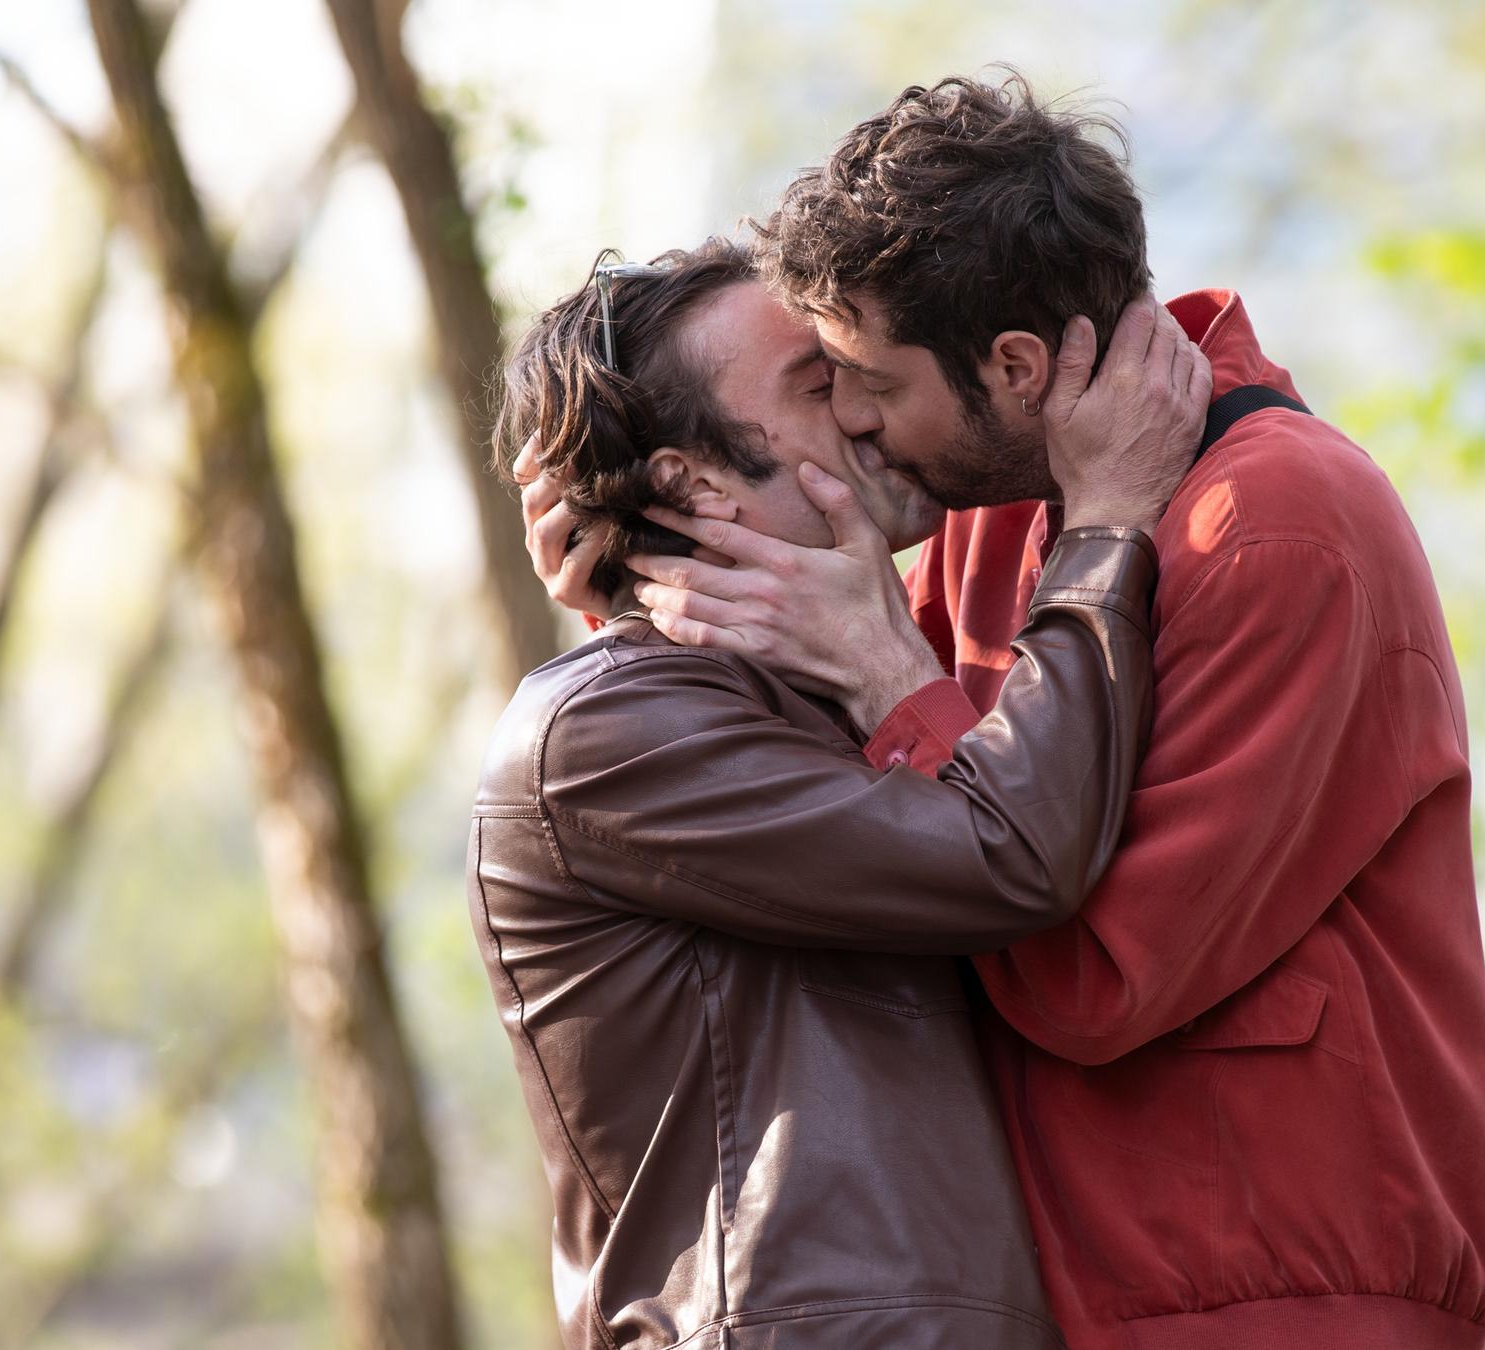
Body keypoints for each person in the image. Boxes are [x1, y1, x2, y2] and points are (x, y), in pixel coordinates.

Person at [532, 73, 1485, 1349]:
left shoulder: (1277, 526)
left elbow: (1090, 973)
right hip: (1094, 1291)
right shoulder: (995, 509)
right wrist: (649, 559)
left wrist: (897, 671)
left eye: (867, 381)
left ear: (1014, 366)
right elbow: (870, 802)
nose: (860, 428)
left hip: (1271, 1300)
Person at [472, 235, 1211, 1348]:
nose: (869, 413)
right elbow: (1011, 851)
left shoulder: (773, 695)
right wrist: (1107, 527)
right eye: (822, 386)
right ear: (693, 480)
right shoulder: (608, 726)